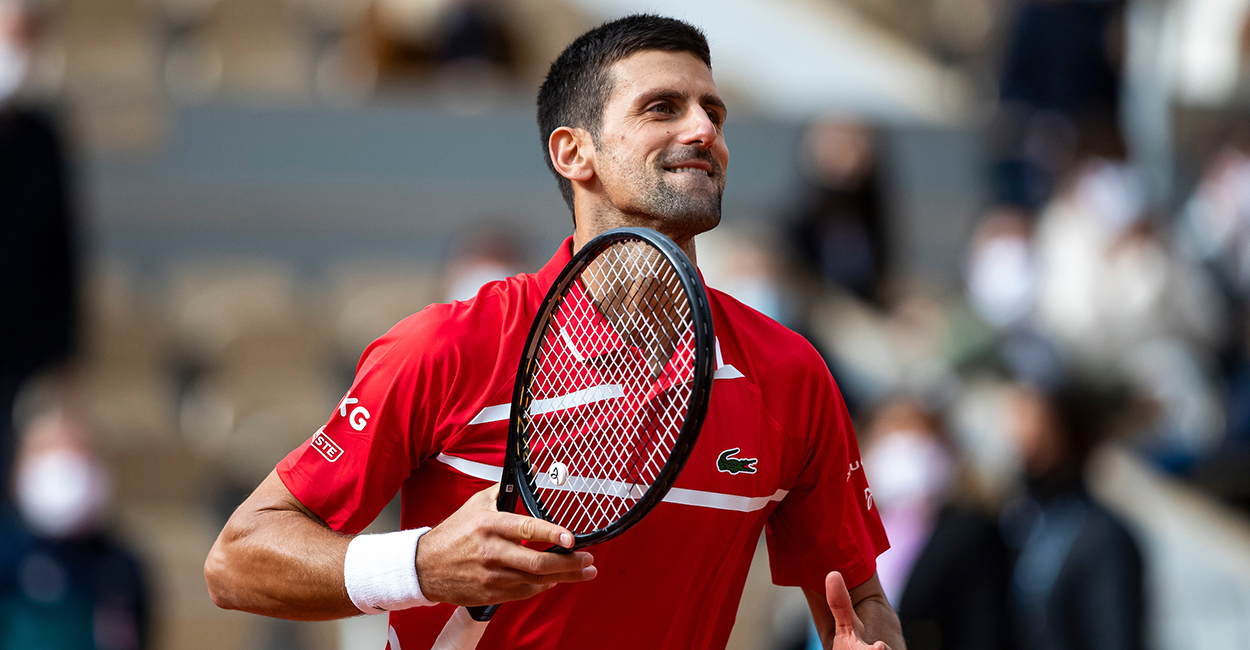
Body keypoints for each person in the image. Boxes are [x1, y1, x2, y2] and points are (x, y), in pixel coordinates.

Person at [205, 15, 901, 650]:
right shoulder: (452, 346)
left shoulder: (790, 373)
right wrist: (422, 565)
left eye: (713, 111)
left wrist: (869, 640)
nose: (704, 131)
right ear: (574, 152)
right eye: (664, 108)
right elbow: (238, 560)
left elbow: (857, 597)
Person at [0, 0, 79, 506]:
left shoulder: (43, 137)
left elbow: (63, 252)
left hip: (23, 355)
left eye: (27, 35)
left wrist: (63, 356)